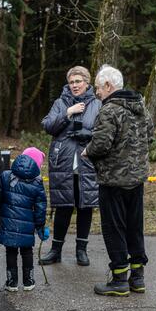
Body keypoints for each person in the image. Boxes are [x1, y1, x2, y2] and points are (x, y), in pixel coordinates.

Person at [83, 65, 153, 297]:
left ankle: (119, 279)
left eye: (98, 88)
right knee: (135, 228)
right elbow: (149, 137)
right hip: (137, 178)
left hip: (113, 181)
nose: (97, 93)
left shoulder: (109, 110)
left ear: (108, 86)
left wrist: (87, 151)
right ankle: (138, 278)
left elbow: (101, 144)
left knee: (114, 229)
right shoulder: (142, 107)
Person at [39, 66, 101, 266]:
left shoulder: (97, 104)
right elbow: (48, 126)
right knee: (63, 206)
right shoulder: (60, 102)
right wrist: (68, 113)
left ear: (87, 82)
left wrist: (89, 135)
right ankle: (55, 250)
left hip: (86, 162)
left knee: (85, 206)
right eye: (72, 82)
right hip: (63, 162)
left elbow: (104, 132)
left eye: (78, 81)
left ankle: (81, 250)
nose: (74, 85)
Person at [0, 147, 49, 292]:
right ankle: (28, 281)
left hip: (8, 223)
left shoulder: (5, 176)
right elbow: (41, 207)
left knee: (11, 252)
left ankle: (12, 282)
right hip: (27, 226)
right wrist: (40, 225)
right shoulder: (37, 182)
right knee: (27, 252)